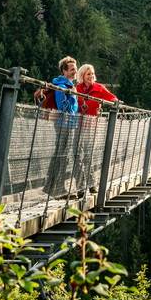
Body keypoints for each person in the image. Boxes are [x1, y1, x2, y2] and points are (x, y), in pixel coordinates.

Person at [75, 64, 118, 194]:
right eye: (88, 74)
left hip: (92, 127)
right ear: (82, 75)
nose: (91, 76)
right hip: (77, 126)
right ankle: (81, 187)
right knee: (77, 156)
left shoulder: (99, 88)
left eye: (92, 73)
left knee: (89, 155)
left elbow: (113, 98)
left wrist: (114, 104)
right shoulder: (76, 89)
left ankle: (91, 184)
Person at [43, 56, 82, 199]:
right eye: (72, 69)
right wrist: (72, 98)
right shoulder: (62, 86)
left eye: (75, 69)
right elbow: (62, 107)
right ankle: (58, 189)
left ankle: (50, 187)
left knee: (60, 154)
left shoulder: (70, 85)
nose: (74, 71)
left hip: (68, 122)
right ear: (64, 71)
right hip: (63, 123)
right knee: (62, 155)